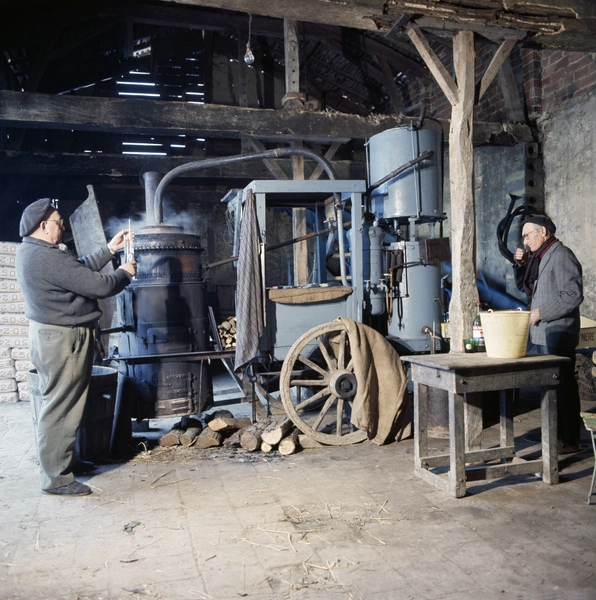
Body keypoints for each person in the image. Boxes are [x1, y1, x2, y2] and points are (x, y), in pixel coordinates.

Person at [15, 198, 136, 496]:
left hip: (53, 336)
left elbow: (76, 269)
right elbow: (99, 286)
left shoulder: (37, 251)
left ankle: (66, 462)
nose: (62, 226)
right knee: (61, 407)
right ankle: (56, 478)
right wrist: (125, 273)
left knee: (66, 403)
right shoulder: (45, 257)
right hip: (62, 339)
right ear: (43, 226)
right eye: (58, 222)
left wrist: (110, 249)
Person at [513, 213, 583, 454]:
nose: (525, 241)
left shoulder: (561, 255)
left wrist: (540, 313)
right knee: (552, 389)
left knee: (563, 388)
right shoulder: (541, 257)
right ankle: (557, 436)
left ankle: (570, 440)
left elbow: (572, 295)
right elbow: (527, 286)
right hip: (545, 335)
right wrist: (519, 264)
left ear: (543, 232)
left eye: (527, 235)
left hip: (557, 335)